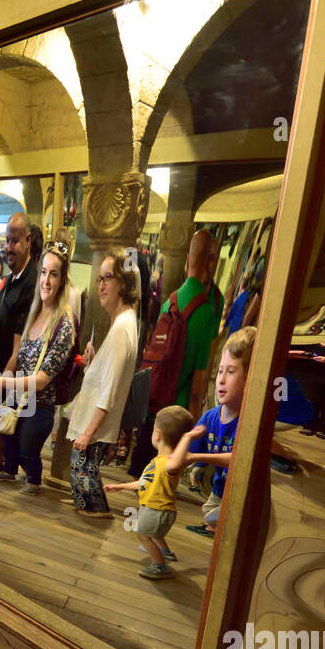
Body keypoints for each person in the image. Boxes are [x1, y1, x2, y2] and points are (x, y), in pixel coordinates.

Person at [128, 229, 223, 479]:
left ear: (188, 258)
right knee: (161, 478)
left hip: (155, 404)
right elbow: (198, 383)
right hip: (177, 413)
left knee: (141, 473)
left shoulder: (170, 301)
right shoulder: (206, 309)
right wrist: (193, 429)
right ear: (210, 260)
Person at [0, 241, 76, 493]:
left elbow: (41, 381)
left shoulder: (64, 325)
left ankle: (34, 480)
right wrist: (1, 381)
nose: (46, 281)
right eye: (43, 272)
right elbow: (19, 355)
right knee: (4, 433)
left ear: (62, 280)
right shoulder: (34, 312)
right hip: (18, 395)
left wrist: (2, 382)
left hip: (40, 404)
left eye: (53, 274)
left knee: (27, 450)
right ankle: (10, 470)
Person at [65, 248, 139, 518]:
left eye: (109, 277)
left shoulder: (122, 327)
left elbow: (109, 392)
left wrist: (87, 434)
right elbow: (109, 378)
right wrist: (93, 364)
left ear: (125, 282)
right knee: (83, 503)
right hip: (93, 429)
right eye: (100, 278)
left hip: (93, 431)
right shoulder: (124, 323)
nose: (102, 284)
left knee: (91, 510)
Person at [104, 405, 196, 579]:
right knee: (156, 534)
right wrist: (119, 486)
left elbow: (175, 464)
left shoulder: (169, 463)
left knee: (143, 535)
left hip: (158, 510)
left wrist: (188, 438)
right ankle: (165, 552)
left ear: (158, 434)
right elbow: (144, 482)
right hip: (154, 509)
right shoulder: (159, 460)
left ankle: (160, 566)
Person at [184, 327, 257, 538]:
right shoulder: (210, 417)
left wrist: (196, 457)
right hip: (219, 487)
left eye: (231, 371)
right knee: (211, 509)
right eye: (220, 370)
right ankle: (213, 529)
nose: (221, 380)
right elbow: (195, 446)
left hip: (241, 494)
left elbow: (239, 459)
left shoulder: (250, 422)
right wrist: (197, 467)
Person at [0, 213, 40, 472]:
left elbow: (19, 346)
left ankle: (4, 461)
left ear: (27, 240)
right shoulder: (12, 277)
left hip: (6, 373)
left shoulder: (30, 283)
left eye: (14, 241)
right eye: (7, 241)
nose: (8, 247)